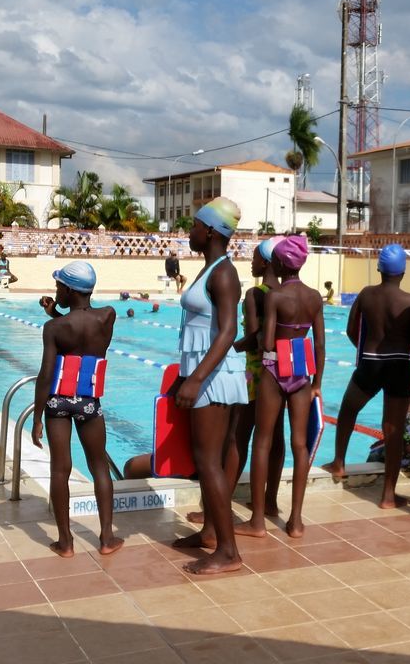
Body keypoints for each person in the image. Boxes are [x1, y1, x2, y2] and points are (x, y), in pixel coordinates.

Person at [171, 197, 247, 574]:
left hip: (215, 378)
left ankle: (229, 552)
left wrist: (196, 379)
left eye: (195, 226)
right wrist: (184, 376)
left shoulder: (223, 274)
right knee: (209, 459)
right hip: (204, 374)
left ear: (212, 232)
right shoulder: (209, 269)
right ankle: (209, 534)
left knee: (208, 461)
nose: (191, 232)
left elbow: (229, 330)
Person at [30, 261, 122, 558]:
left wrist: (36, 418)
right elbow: (84, 333)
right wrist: (58, 309)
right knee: (99, 467)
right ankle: (107, 537)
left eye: (59, 287)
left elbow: (46, 374)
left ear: (68, 289)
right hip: (88, 400)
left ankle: (65, 542)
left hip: (58, 401)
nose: (56, 291)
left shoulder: (54, 328)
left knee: (60, 469)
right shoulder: (107, 316)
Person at [321, 243, 410, 509]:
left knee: (347, 410)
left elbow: (352, 330)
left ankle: (339, 462)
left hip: (371, 362)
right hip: (401, 365)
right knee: (393, 428)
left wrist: (366, 351)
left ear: (379, 268)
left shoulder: (366, 295)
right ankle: (388, 495)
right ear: (403, 272)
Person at [240, 235, 325, 539]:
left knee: (262, 442)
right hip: (302, 371)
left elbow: (266, 342)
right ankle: (296, 521)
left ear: (277, 263)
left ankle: (258, 521)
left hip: (275, 370)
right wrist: (316, 384)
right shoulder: (315, 297)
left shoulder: (275, 298)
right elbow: (320, 345)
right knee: (299, 445)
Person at [216, 236, 285, 522]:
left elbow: (256, 339)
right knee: (277, 437)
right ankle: (270, 501)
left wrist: (227, 347)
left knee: (238, 437)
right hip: (283, 372)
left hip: (257, 373)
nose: (252, 262)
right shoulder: (287, 292)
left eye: (256, 257)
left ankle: (220, 506)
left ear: (267, 262)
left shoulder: (256, 294)